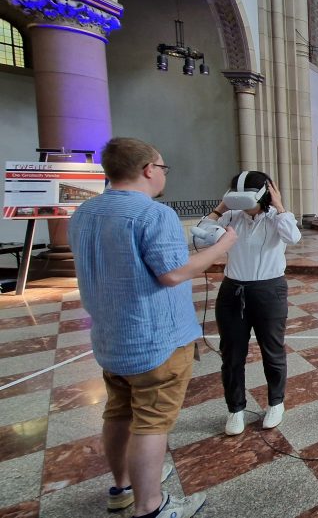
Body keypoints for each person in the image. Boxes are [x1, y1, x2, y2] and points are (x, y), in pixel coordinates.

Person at [68, 137, 237, 518]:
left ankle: (123, 487)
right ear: (148, 170)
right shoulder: (153, 214)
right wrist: (222, 246)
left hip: (111, 337)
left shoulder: (85, 211)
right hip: (156, 339)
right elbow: (173, 273)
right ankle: (151, 507)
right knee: (151, 422)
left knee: (118, 412)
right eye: (162, 167)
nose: (163, 174)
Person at [197, 171, 301, 435]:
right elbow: (199, 235)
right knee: (232, 354)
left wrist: (279, 206)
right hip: (233, 291)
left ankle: (276, 403)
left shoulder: (277, 218)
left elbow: (293, 237)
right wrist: (221, 208)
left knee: (272, 351)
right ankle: (235, 409)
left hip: (270, 291)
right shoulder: (231, 216)